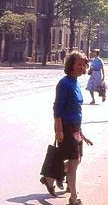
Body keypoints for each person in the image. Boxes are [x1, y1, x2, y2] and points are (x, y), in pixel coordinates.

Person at [40, 51, 93, 205]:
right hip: (66, 128)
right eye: (79, 64)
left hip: (75, 128)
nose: (82, 67)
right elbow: (57, 109)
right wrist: (58, 130)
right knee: (74, 161)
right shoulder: (64, 83)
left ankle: (50, 178)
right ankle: (74, 198)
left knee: (76, 161)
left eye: (84, 65)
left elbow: (77, 109)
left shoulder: (76, 82)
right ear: (71, 65)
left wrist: (81, 132)